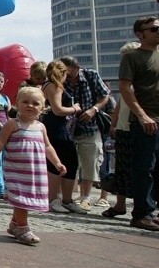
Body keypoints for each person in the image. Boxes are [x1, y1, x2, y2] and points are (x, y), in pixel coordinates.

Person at [0, 87, 66, 245]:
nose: (30, 106)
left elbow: (47, 146)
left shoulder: (41, 127)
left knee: (26, 198)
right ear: (17, 104)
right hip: (17, 170)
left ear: (42, 108)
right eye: (25, 102)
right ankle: (23, 228)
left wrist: (57, 162)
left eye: (35, 103)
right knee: (20, 198)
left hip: (34, 171)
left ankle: (15, 224)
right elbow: (0, 141)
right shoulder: (12, 124)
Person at [118, 17, 159, 231]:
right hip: (146, 122)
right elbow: (125, 88)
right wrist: (142, 115)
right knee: (145, 168)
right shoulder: (132, 57)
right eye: (154, 29)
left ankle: (153, 211)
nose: (158, 31)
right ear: (140, 34)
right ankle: (142, 213)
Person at [60, 55, 110, 212]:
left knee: (90, 161)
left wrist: (93, 110)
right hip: (68, 129)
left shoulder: (91, 75)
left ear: (76, 68)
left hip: (90, 126)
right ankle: (66, 196)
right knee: (68, 163)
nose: (66, 76)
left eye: (68, 72)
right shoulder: (60, 80)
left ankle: (86, 197)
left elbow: (105, 96)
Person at [41, 60, 85, 214]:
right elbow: (58, 110)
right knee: (60, 163)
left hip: (56, 128)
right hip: (58, 128)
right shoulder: (56, 86)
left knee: (67, 162)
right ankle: (55, 199)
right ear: (63, 73)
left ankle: (65, 200)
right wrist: (74, 108)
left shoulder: (48, 85)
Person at [103, 42, 141, 219]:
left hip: (139, 126)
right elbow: (121, 102)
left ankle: (141, 205)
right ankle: (120, 204)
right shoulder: (128, 76)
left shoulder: (143, 75)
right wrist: (114, 123)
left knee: (143, 168)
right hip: (124, 127)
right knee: (122, 167)